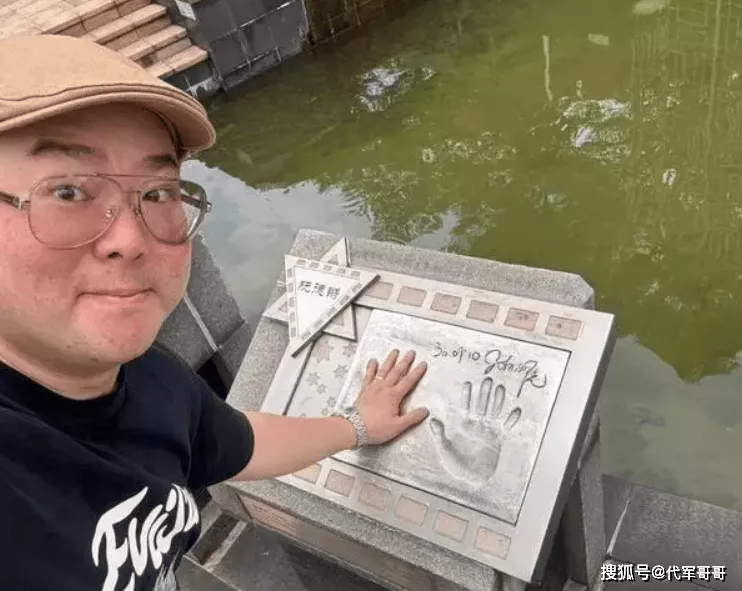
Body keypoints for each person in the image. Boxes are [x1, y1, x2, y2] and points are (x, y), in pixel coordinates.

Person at [0, 34, 429, 591]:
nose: (130, 239)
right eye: (66, 191)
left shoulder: (154, 381)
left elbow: (239, 442)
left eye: (158, 193)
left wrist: (358, 424)